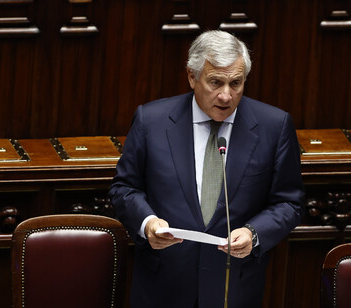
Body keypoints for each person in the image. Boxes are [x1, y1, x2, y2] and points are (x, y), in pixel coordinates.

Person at [109, 30, 304, 308]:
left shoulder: (274, 126)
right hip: (163, 287)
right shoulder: (151, 121)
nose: (226, 96)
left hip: (233, 288)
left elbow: (289, 202)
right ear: (192, 76)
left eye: (236, 83)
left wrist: (254, 232)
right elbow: (124, 188)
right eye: (216, 82)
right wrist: (148, 223)